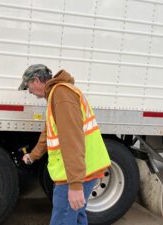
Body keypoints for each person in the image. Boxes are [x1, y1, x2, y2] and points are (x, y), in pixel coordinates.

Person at [18, 64, 111, 225]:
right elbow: (49, 133)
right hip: (83, 169)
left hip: (74, 175)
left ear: (36, 80)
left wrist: (75, 185)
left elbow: (71, 139)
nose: (29, 91)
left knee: (62, 220)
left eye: (28, 86)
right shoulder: (57, 94)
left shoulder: (61, 94)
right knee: (76, 216)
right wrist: (33, 156)